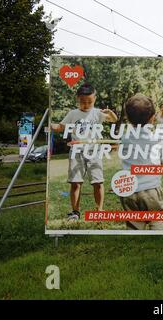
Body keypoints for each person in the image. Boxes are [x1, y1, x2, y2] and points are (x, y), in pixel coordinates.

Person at [51, 83, 118, 220]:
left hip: (94, 151)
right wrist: (50, 125)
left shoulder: (97, 113)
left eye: (90, 102)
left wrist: (110, 113)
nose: (86, 105)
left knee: (98, 182)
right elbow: (60, 127)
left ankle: (99, 211)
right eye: (83, 102)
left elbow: (114, 120)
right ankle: (75, 212)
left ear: (95, 99)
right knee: (75, 182)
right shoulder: (73, 114)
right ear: (77, 99)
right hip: (76, 151)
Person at [120, 94, 163, 230]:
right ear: (152, 118)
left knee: (134, 223)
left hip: (129, 190)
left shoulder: (125, 137)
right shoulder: (155, 138)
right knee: (156, 219)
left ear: (128, 118)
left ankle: (134, 241)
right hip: (150, 189)